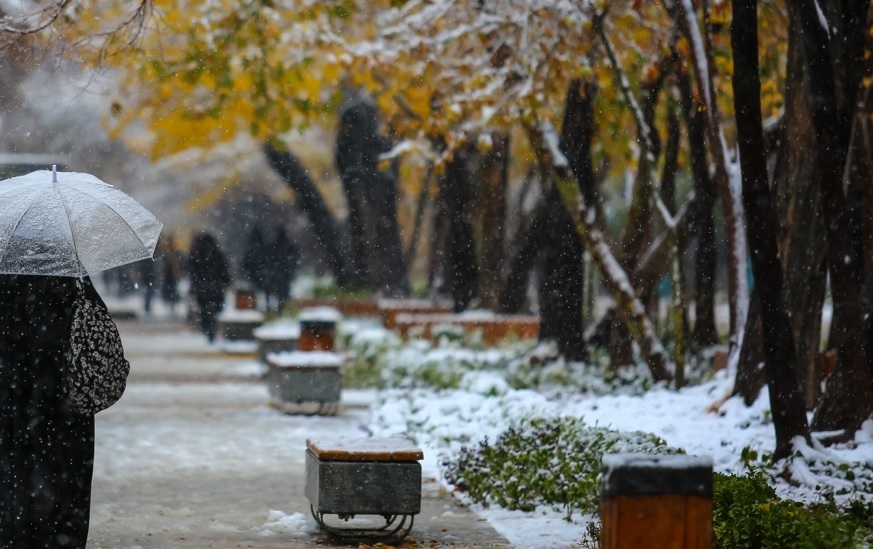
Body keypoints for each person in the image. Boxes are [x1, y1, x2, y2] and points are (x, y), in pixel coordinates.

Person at [0, 275, 127, 548]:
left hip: (13, 398)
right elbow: (97, 327)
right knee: (64, 479)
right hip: (62, 399)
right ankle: (60, 536)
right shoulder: (70, 274)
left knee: (15, 473)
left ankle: (17, 535)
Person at [187, 232, 231, 342]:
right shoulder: (218, 254)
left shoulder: (197, 254)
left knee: (204, 310)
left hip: (202, 288)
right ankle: (212, 328)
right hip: (216, 288)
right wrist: (225, 281)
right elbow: (224, 270)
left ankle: (207, 329)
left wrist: (195, 285)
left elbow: (193, 272)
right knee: (215, 309)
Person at [265, 227, 300, 312]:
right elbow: (293, 260)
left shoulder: (274, 247)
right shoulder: (288, 247)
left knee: (276, 294)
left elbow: (271, 260)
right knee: (285, 293)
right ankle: (284, 308)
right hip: (285, 275)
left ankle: (276, 309)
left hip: (279, 275)